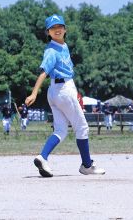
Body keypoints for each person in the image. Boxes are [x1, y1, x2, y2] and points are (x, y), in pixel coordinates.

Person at [25, 14, 105, 178]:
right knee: (82, 128)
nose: (57, 29)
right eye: (53, 28)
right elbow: (43, 72)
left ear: (65, 29)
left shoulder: (63, 46)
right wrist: (34, 92)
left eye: (60, 26)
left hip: (60, 90)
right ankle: (87, 165)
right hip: (62, 90)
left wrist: (74, 92)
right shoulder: (52, 50)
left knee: (61, 130)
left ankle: (42, 157)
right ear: (48, 32)